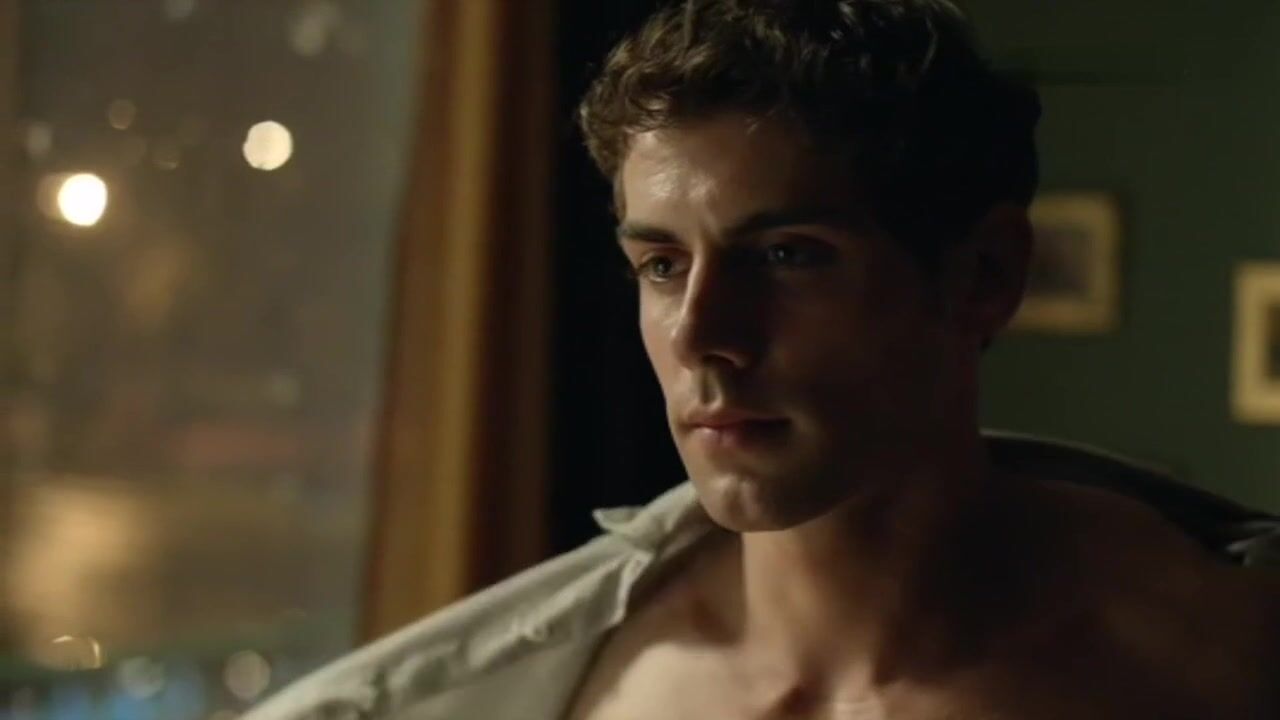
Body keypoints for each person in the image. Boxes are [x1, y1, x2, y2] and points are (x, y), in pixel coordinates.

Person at [245, 1, 1280, 718]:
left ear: (982, 277)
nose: (702, 333)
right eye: (661, 265)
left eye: (787, 257)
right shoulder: (589, 688)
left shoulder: (1210, 662)